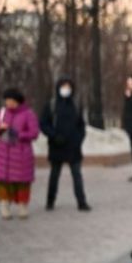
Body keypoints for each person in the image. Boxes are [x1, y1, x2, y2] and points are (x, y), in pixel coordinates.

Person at [40, 76, 91, 211]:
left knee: (77, 175)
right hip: (57, 145)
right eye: (63, 86)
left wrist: (79, 139)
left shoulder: (76, 105)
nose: (66, 89)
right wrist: (53, 135)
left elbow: (81, 126)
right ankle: (50, 201)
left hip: (73, 147)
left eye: (68, 87)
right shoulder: (51, 105)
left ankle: (82, 202)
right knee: (54, 175)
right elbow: (43, 124)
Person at [0, 88, 40, 219]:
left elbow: (34, 133)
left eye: (11, 101)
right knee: (3, 182)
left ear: (18, 101)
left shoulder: (28, 114)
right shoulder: (1, 113)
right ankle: (5, 206)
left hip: (21, 154)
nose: (8, 103)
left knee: (22, 182)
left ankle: (22, 206)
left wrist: (16, 134)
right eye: (6, 101)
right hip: (3, 154)